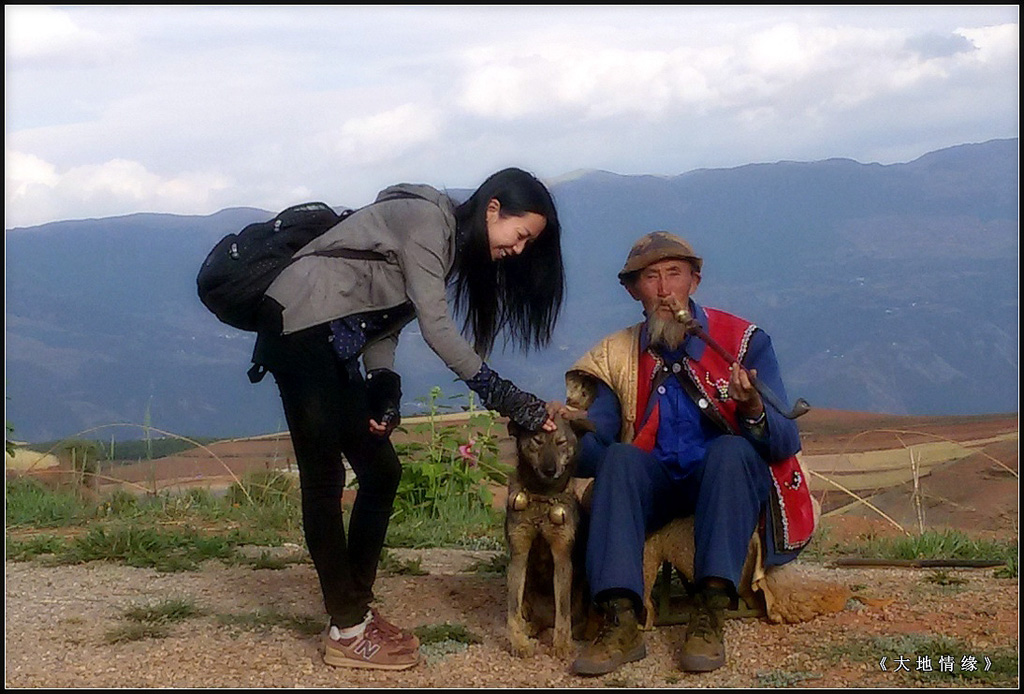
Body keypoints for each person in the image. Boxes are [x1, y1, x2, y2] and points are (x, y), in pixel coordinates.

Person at [250, 168, 565, 671]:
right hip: (298, 329)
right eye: (520, 234)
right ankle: (348, 629)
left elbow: (384, 319)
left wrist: (383, 385)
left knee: (381, 472)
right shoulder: (427, 222)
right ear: (492, 209)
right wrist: (508, 398)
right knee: (324, 478)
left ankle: (353, 607)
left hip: (331, 343)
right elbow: (437, 328)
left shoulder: (445, 246)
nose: (519, 249)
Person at [563, 231, 815, 676]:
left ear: (694, 282)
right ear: (632, 290)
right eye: (651, 278)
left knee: (733, 452)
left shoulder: (744, 342)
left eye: (674, 275)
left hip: (723, 483)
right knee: (619, 460)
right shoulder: (616, 355)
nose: (664, 290)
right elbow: (593, 453)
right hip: (655, 482)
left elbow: (784, 440)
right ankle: (620, 620)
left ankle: (710, 612)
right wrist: (565, 431)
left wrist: (753, 406)